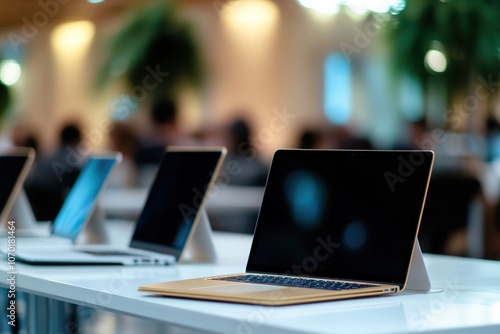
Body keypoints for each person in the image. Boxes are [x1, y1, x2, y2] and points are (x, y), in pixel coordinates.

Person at [24, 123, 84, 221]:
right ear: (78, 140)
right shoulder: (73, 163)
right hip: (54, 215)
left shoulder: (46, 158)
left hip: (33, 211)